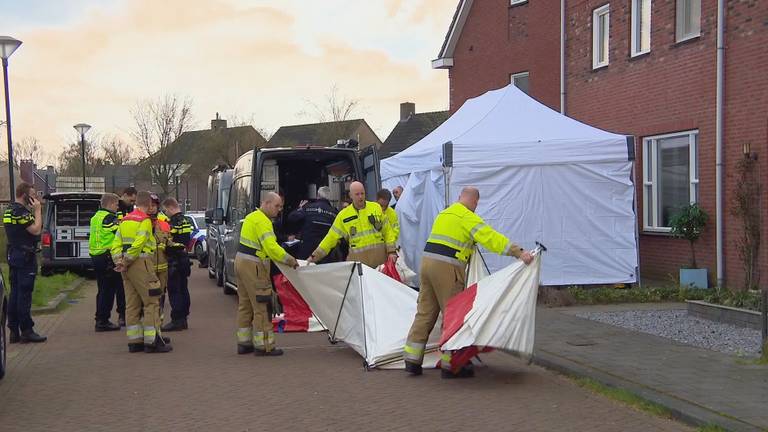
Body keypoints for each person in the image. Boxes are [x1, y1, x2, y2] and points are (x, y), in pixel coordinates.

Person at [403, 187, 533, 378]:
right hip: (447, 268)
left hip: (427, 263)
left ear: (459, 197)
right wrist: (518, 252)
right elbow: (491, 238)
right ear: (475, 202)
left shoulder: (445, 213)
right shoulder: (467, 216)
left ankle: (412, 360)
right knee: (452, 314)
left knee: (425, 312)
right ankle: (451, 365)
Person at [235, 192, 298, 356]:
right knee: (262, 305)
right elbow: (271, 247)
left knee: (245, 304)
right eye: (277, 206)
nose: (279, 210)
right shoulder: (264, 222)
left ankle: (244, 342)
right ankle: (264, 345)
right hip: (254, 265)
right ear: (267, 203)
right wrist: (289, 259)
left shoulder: (251, 217)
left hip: (241, 261)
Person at [111, 191, 171, 353]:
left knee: (132, 303)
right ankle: (152, 341)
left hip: (126, 268)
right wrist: (128, 260)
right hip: (142, 264)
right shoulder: (144, 221)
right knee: (152, 300)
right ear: (149, 204)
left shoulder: (125, 220)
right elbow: (139, 243)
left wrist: (119, 261)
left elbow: (115, 243)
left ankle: (134, 340)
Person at [307, 182, 396, 269]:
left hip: (380, 264)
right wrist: (315, 255)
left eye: (362, 193)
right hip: (360, 267)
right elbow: (330, 238)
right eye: (357, 194)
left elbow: (388, 231)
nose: (360, 197)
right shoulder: (343, 215)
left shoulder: (376, 208)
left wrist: (391, 251)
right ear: (351, 195)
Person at [4, 182, 46, 343]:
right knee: (24, 294)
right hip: (25, 257)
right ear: (25, 196)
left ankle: (13, 330)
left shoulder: (9, 210)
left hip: (14, 255)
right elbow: (35, 229)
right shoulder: (20, 212)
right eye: (33, 195)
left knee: (15, 294)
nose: (35, 198)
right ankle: (27, 330)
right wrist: (37, 211)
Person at [90, 193, 123, 332]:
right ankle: (103, 321)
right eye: (116, 204)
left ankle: (100, 318)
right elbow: (121, 232)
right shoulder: (110, 218)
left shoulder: (95, 217)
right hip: (107, 257)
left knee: (102, 289)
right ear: (110, 204)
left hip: (96, 256)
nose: (117, 207)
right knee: (109, 290)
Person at [161, 197, 193, 332]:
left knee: (174, 291)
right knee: (184, 289)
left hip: (174, 260)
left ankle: (177, 320)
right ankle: (184, 318)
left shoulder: (172, 223)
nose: (165, 213)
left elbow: (168, 242)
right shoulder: (186, 220)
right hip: (184, 259)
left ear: (169, 208)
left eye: (165, 210)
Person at [286, 186, 339, 261]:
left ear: (317, 196)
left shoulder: (308, 207)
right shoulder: (335, 213)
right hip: (325, 254)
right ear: (329, 198)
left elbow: (291, 218)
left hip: (306, 253)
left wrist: (300, 208)